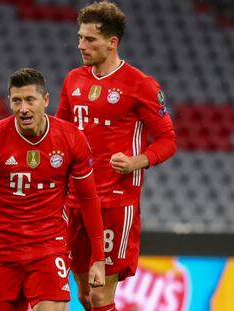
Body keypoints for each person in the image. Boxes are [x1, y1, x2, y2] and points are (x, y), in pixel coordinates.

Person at [0, 68, 105, 311]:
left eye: (30, 100)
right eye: (16, 100)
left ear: (46, 100)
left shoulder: (71, 139)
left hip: (48, 247)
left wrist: (98, 259)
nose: (23, 108)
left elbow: (88, 198)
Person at [56, 2, 177, 311]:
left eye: (90, 39)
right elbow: (61, 134)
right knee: (83, 295)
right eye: (80, 37)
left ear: (112, 42)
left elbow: (167, 140)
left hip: (115, 199)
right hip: (75, 199)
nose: (81, 45)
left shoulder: (141, 85)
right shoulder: (73, 80)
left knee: (100, 295)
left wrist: (136, 161)